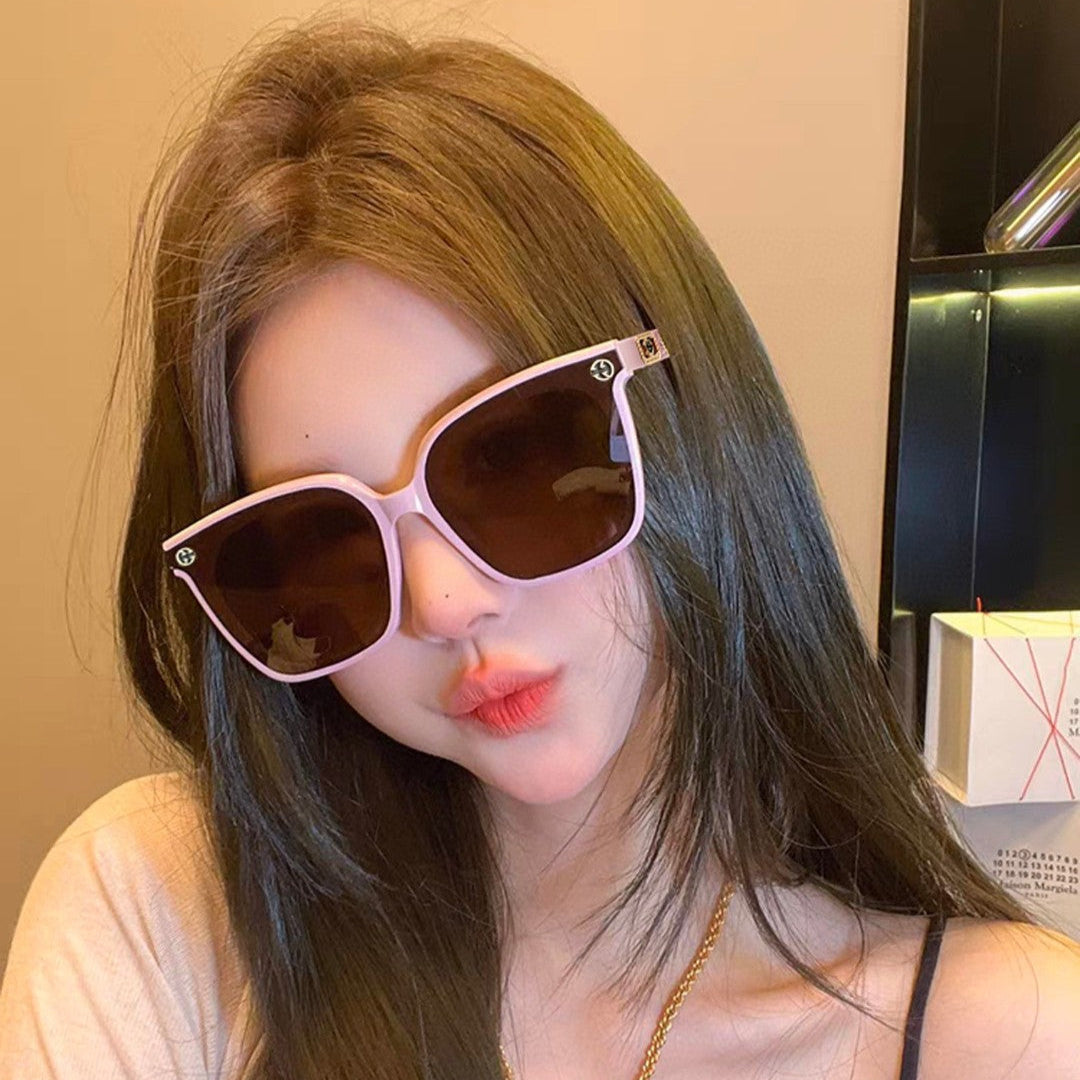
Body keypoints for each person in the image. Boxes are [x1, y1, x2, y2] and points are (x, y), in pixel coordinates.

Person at [2, 14, 1079, 1080]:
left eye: (512, 458)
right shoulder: (162, 918)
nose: (444, 601)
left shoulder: (1010, 1035)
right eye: (318, 541)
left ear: (690, 412)